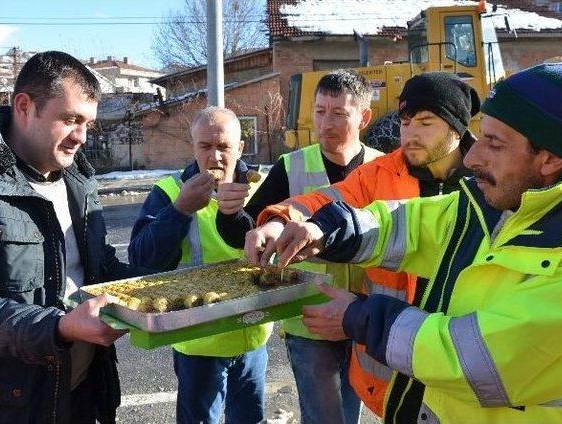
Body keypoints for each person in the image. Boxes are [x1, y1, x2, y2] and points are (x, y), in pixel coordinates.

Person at [256, 63, 562, 423]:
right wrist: (321, 231)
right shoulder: (491, 203)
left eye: (494, 143)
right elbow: (406, 224)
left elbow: (475, 360)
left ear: (550, 158)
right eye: (481, 135)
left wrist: (359, 316)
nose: (474, 157)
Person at [247, 71, 480, 416]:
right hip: (397, 359)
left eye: (426, 122)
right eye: (405, 122)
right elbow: (327, 198)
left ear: (456, 128)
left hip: (464, 357)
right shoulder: (381, 172)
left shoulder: (493, 179)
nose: (411, 134)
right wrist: (282, 220)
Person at [0, 51, 150, 423]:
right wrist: (60, 327)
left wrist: (161, 294)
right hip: (3, 406)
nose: (81, 137)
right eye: (70, 119)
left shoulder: (79, 181)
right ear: (24, 106)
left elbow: (100, 268)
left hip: (84, 394)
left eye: (88, 124)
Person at [216, 70, 383, 424]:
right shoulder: (290, 167)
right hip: (311, 321)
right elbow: (249, 229)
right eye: (319, 111)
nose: (325, 123)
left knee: (356, 411)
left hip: (367, 314)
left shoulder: (385, 168)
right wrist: (232, 218)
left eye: (338, 113)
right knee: (324, 417)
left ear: (364, 117)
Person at [128, 106, 271, 424]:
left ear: (240, 148)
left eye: (224, 147)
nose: (215, 157)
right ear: (192, 146)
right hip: (199, 339)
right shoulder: (170, 191)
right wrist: (179, 210)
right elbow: (141, 260)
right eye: (205, 146)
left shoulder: (261, 189)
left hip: (253, 333)